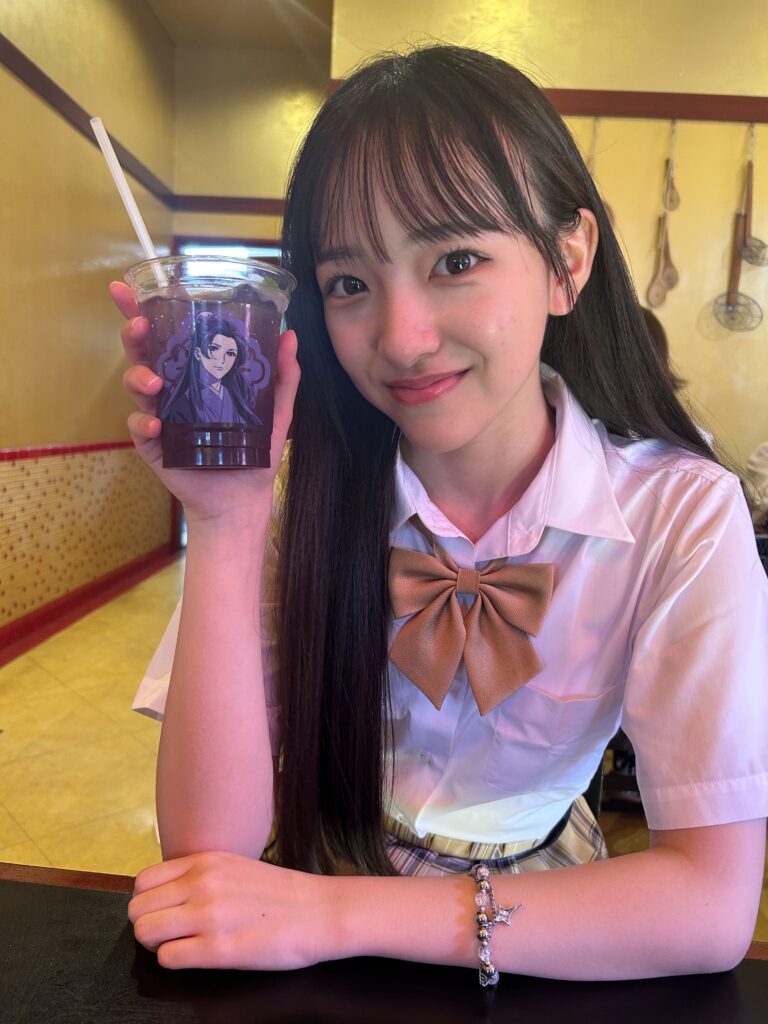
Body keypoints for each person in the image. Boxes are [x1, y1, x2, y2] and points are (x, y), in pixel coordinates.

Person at [112, 45, 768, 983]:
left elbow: (710, 908)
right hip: (311, 898)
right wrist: (224, 519)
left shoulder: (682, 515)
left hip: (545, 919)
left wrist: (341, 914)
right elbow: (208, 849)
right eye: (349, 283)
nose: (403, 338)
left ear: (567, 261)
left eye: (456, 260)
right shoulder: (306, 493)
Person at [162, 313, 262, 426]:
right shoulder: (182, 405)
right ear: (198, 353)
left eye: (230, 354)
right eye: (214, 349)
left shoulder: (235, 398)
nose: (222, 360)